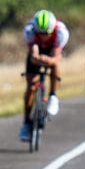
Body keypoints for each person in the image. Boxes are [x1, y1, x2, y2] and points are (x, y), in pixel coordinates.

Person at [19, 9, 70, 142]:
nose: (43, 36)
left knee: (55, 66)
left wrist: (49, 60)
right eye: (40, 33)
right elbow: (34, 53)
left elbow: (56, 58)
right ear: (36, 30)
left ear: (52, 29)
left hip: (52, 50)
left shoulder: (61, 33)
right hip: (37, 51)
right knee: (31, 85)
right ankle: (26, 123)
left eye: (46, 33)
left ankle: (53, 95)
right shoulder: (29, 31)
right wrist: (37, 58)